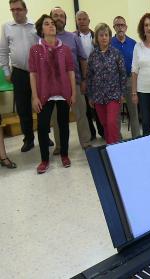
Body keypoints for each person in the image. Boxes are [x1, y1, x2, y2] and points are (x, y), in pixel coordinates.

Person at [29, 14, 75, 174]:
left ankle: (64, 154)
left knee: (63, 125)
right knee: (42, 127)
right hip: (43, 93)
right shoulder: (35, 50)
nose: (51, 26)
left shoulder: (66, 49)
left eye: (53, 24)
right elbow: (33, 74)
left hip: (63, 92)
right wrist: (34, 96)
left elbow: (70, 71)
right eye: (47, 24)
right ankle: (44, 159)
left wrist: (73, 92)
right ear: (41, 30)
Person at [50, 6, 91, 153]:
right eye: (56, 15)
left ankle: (86, 143)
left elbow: (82, 59)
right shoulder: (44, 38)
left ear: (65, 20)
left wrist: (84, 79)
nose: (59, 18)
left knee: (81, 114)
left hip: (75, 83)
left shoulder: (73, 37)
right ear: (50, 18)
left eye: (62, 15)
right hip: (54, 86)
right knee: (57, 118)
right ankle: (60, 145)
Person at [0, 0, 38, 152]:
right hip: (19, 72)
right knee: (23, 109)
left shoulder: (35, 26)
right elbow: (3, 51)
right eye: (12, 9)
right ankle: (28, 139)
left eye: (18, 9)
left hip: (37, 73)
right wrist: (6, 72)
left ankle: (45, 135)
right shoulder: (6, 27)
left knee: (41, 106)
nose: (16, 12)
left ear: (25, 10)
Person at [87, 23, 126, 144]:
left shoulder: (116, 53)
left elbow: (123, 74)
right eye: (101, 35)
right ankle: (111, 145)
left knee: (111, 122)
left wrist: (122, 93)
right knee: (104, 124)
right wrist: (90, 96)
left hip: (114, 95)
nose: (104, 37)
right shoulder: (93, 56)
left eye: (106, 35)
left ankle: (113, 149)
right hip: (98, 96)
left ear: (109, 37)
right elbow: (90, 77)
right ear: (97, 38)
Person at [75, 10, 104, 141]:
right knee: (85, 109)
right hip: (80, 78)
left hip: (96, 78)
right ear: (76, 21)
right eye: (79, 19)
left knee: (97, 106)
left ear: (89, 21)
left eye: (84, 19)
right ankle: (91, 133)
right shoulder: (73, 37)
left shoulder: (96, 36)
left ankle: (102, 131)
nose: (82, 21)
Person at [111, 16, 140, 138]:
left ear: (126, 27)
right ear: (114, 27)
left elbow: (137, 64)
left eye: (122, 25)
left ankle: (137, 138)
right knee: (116, 114)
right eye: (117, 25)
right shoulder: (110, 43)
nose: (120, 27)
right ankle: (118, 140)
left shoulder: (133, 44)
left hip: (129, 81)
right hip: (114, 82)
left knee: (134, 113)